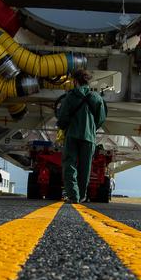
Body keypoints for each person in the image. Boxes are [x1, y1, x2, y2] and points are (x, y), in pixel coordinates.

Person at [56, 68, 107, 204]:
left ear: (75, 81)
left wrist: (63, 126)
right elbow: (101, 118)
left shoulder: (70, 96)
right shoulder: (96, 98)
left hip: (72, 135)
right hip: (89, 137)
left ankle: (74, 196)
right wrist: (91, 127)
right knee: (85, 167)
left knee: (70, 164)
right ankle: (82, 195)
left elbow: (62, 117)